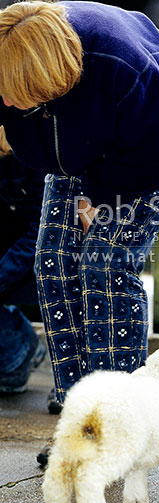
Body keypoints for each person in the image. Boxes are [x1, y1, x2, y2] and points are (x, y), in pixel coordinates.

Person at [0, 1, 159, 465]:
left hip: (152, 146)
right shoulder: (12, 62)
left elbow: (150, 157)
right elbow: (28, 123)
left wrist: (96, 200)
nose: (7, 105)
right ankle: (79, 418)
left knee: (105, 264)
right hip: (75, 142)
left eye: (16, 97)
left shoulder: (123, 61)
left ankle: (116, 422)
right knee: (51, 264)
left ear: (53, 78)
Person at [0, 125, 46, 395]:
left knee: (10, 379)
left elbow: (38, 232)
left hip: (25, 260)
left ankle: (20, 349)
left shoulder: (31, 153)